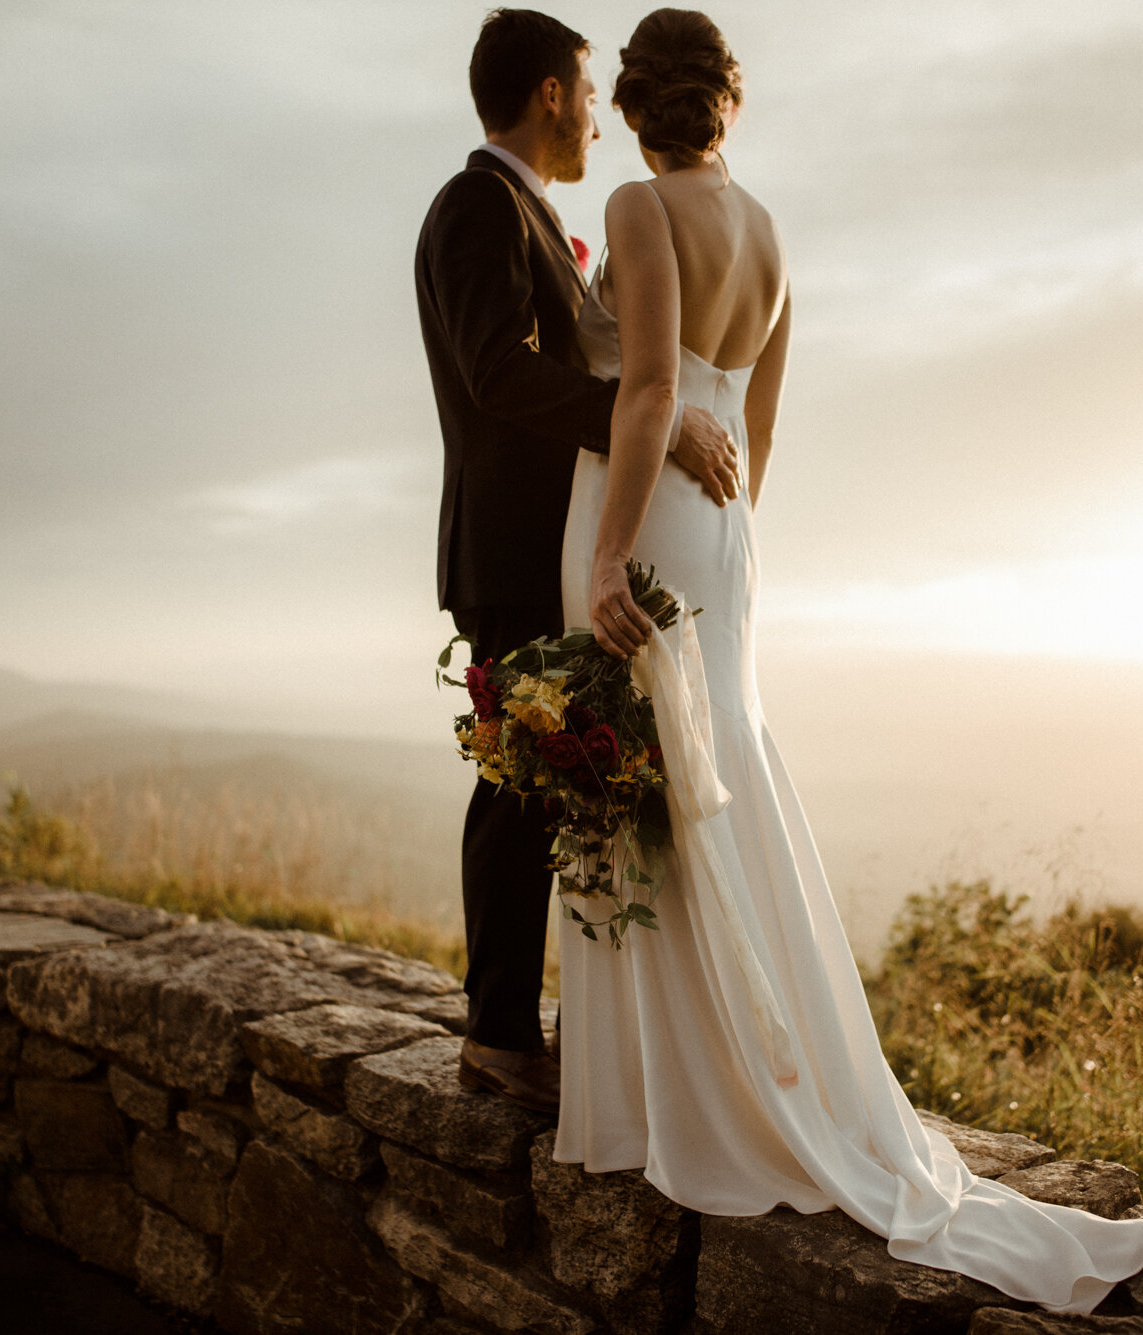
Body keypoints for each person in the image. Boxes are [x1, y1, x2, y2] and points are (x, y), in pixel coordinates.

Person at [550, 8, 1143, 1314]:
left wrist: (616, 551)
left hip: (652, 507)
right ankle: (752, 1067)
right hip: (730, 532)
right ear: (728, 104)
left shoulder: (635, 204)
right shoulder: (778, 238)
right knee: (713, 754)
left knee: (647, 765)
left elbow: (647, 386)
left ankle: (673, 1096)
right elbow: (761, 432)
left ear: (634, 106)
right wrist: (721, 543)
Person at [413, 8, 742, 1116]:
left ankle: (571, 1027)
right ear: (550, 93)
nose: (597, 119)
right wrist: (639, 417)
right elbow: (497, 374)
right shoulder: (476, 206)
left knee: (559, 781)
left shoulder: (537, 219)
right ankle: (498, 1034)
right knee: (515, 782)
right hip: (507, 547)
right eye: (586, 95)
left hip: (549, 542)